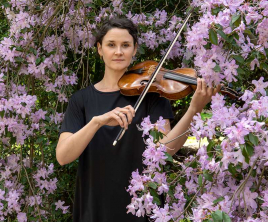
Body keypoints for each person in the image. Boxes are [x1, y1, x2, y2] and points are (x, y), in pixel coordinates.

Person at [56, 17, 220, 222]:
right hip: (94, 204)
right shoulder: (81, 100)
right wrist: (96, 122)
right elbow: (63, 156)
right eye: (111, 45)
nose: (118, 52)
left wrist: (194, 110)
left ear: (134, 50)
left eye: (125, 45)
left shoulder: (153, 94)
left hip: (142, 204)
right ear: (99, 49)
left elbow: (165, 149)